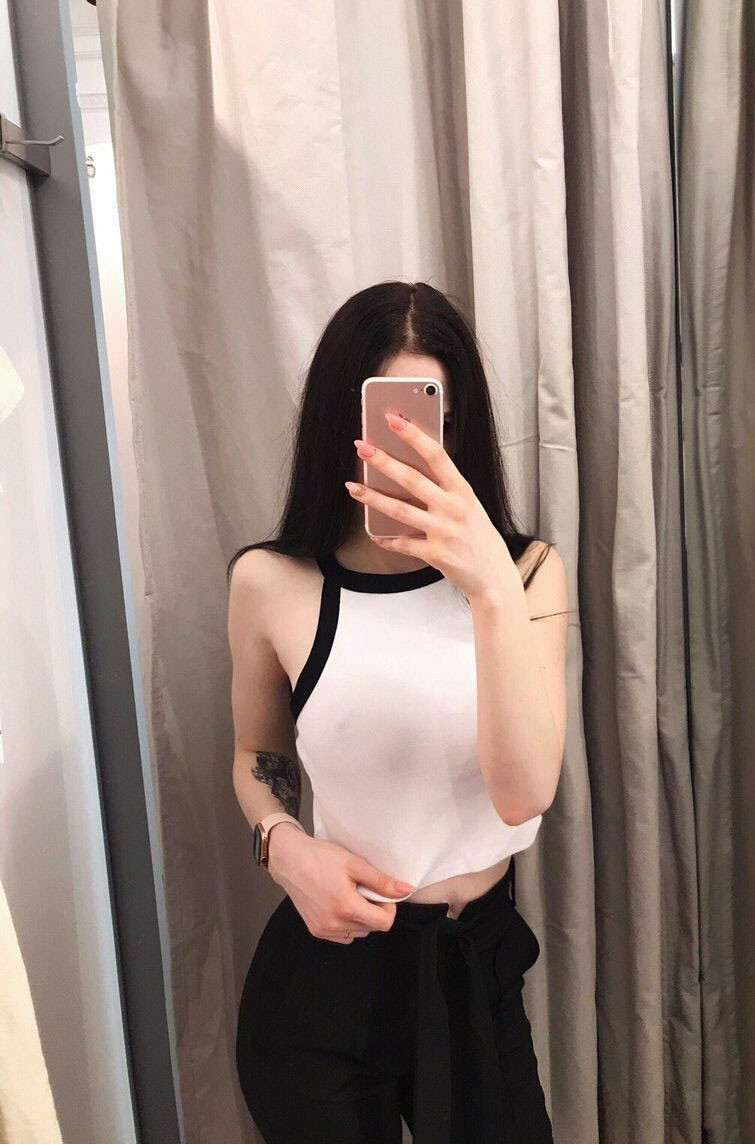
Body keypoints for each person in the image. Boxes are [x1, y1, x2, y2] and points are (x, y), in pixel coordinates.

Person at [227, 281, 568, 1143]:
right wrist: (282, 846)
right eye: (385, 419)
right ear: (338, 423)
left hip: (470, 963)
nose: (408, 446)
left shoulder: (527, 577)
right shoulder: (271, 582)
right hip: (323, 980)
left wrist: (489, 586)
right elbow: (257, 753)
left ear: (461, 426)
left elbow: (525, 794)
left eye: (429, 419)